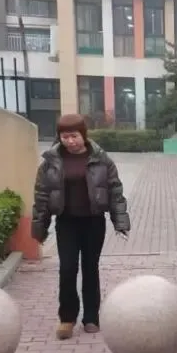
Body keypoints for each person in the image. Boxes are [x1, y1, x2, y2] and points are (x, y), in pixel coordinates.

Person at [32, 113, 130, 340]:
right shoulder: (50, 163)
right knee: (67, 269)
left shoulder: (101, 159)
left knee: (90, 268)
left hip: (93, 221)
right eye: (65, 137)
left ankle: (91, 317)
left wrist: (120, 222)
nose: (70, 141)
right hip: (66, 222)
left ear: (83, 135)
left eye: (74, 136)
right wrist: (40, 227)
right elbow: (42, 195)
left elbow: (115, 192)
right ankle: (67, 318)